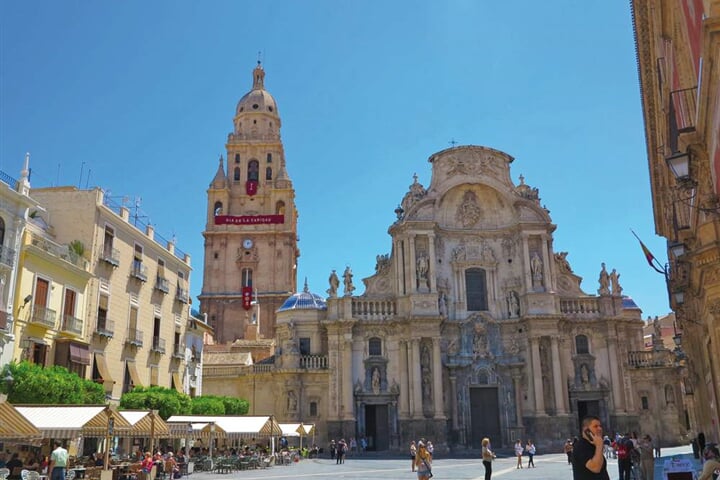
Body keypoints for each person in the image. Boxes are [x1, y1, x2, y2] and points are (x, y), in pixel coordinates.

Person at [572, 416, 609, 480]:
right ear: (586, 430)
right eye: (595, 426)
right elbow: (595, 468)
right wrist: (599, 446)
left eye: (600, 426)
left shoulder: (593, 445)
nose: (600, 428)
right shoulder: (580, 446)